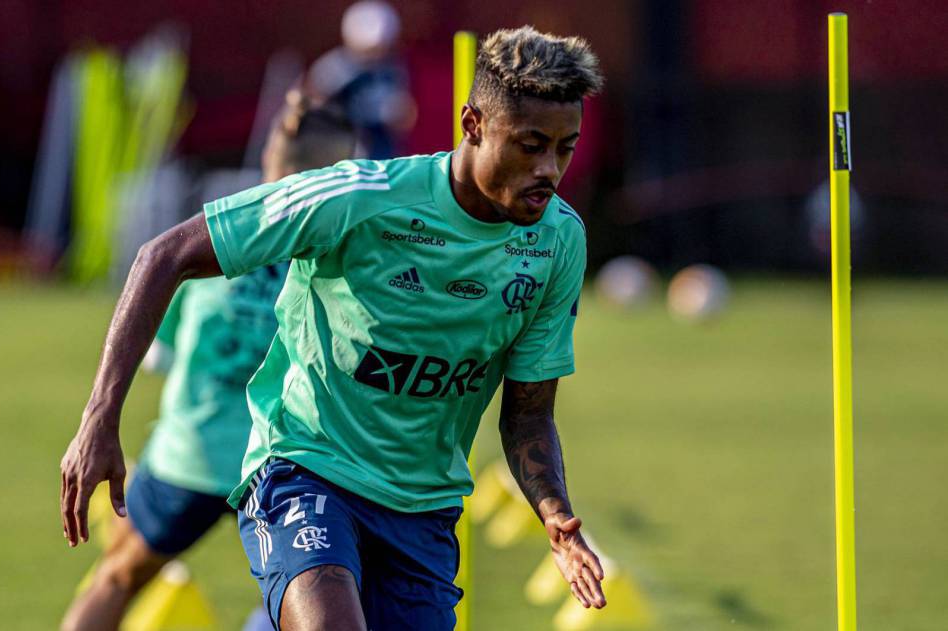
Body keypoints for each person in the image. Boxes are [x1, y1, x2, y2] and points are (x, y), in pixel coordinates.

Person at [61, 26, 607, 630]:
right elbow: (163, 255)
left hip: (421, 505)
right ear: (473, 124)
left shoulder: (559, 241)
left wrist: (555, 515)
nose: (550, 169)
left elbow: (528, 411)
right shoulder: (361, 198)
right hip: (304, 466)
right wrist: (99, 420)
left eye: (566, 147)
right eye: (531, 145)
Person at [59, 94, 356, 631]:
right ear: (337, 171)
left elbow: (159, 354)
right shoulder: (345, 249)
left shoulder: (207, 241)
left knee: (117, 577)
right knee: (311, 597)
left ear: (272, 155)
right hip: (292, 461)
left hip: (192, 453)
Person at [305, 0, 415, 158]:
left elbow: (402, 117)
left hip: (379, 158)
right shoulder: (334, 69)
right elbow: (312, 109)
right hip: (340, 158)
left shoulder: (392, 70)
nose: (375, 54)